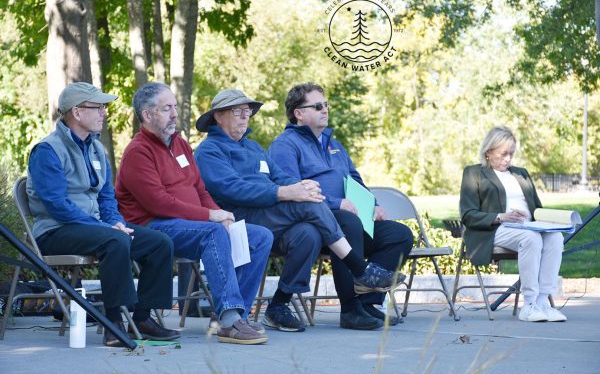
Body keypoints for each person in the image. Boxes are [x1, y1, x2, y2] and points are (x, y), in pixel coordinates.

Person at [194, 88, 400, 332]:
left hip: (270, 217)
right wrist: (285, 192)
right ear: (218, 117)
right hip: (239, 219)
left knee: (307, 233)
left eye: (247, 112)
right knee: (307, 204)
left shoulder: (253, 147)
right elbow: (233, 189)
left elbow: (280, 175)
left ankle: (279, 305)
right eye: (237, 112)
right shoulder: (209, 151)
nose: (244, 117)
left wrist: (301, 187)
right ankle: (360, 270)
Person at [115, 82, 272, 345]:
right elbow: (158, 203)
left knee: (260, 236)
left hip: (190, 225)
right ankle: (229, 319)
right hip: (154, 226)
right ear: (147, 115)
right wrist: (209, 217)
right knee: (212, 232)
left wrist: (220, 212)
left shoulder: (180, 145)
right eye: (167, 108)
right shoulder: (137, 152)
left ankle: (236, 315)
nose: (175, 114)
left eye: (175, 107)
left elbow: (199, 188)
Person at [27, 82, 179, 347]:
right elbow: (57, 206)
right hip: (54, 231)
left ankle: (142, 318)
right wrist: (107, 229)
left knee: (158, 242)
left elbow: (107, 198)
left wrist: (115, 222)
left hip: (94, 228)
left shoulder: (96, 149)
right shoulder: (47, 151)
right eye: (98, 107)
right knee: (115, 241)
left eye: (103, 107)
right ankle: (113, 324)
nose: (103, 113)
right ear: (76, 112)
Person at [268, 83, 414, 329]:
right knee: (347, 221)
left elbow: (354, 179)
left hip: (351, 222)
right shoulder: (286, 145)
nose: (324, 110)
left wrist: (372, 205)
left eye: (325, 105)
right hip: (315, 226)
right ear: (298, 113)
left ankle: (367, 302)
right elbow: (293, 191)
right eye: (317, 106)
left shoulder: (331, 143)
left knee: (399, 235)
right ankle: (350, 309)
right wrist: (337, 203)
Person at [459, 125, 566, 322]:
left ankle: (543, 303)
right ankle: (530, 304)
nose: (508, 159)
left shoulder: (520, 173)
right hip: (494, 229)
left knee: (556, 237)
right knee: (531, 238)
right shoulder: (474, 173)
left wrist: (552, 220)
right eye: (503, 154)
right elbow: (468, 214)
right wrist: (501, 216)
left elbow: (537, 208)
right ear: (488, 152)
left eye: (511, 154)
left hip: (528, 226)